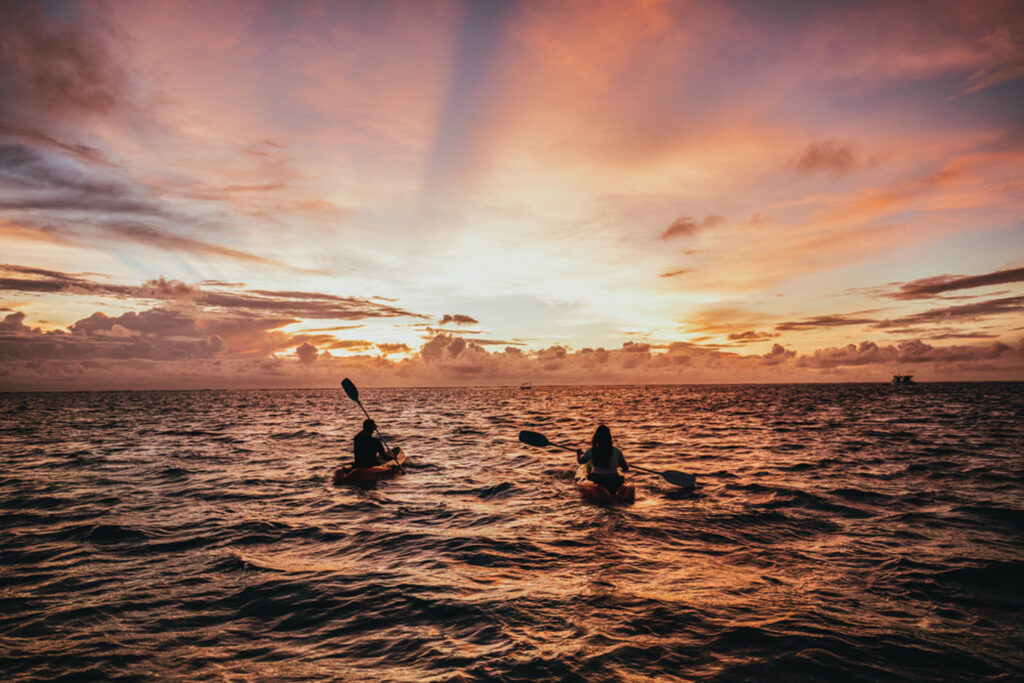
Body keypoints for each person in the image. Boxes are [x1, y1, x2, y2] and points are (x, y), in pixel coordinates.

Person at [576, 424, 629, 494]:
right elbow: (625, 468)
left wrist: (578, 454)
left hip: (598, 479)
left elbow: (581, 462)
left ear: (596, 438)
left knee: (588, 477)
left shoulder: (592, 451)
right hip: (614, 480)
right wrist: (619, 463)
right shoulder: (617, 451)